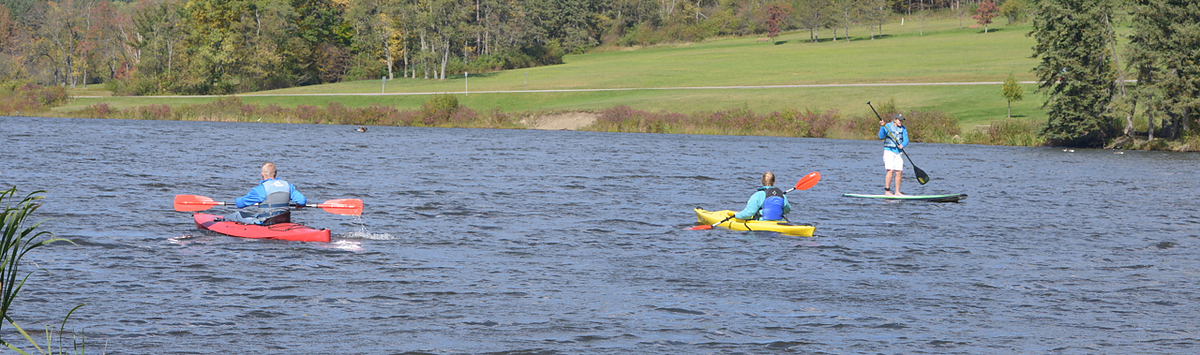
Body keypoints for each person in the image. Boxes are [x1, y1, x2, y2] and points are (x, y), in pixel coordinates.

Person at [224, 162, 307, 225]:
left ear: (262, 174)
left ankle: (220, 221)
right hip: (283, 220)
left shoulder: (260, 189)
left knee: (238, 215)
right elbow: (302, 201)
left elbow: (240, 204)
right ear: (276, 173)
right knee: (256, 214)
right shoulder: (288, 186)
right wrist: (299, 204)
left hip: (267, 222)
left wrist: (236, 200)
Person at [878, 113, 909, 196]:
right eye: (899, 120)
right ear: (895, 120)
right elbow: (881, 136)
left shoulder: (903, 128)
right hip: (889, 151)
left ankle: (897, 192)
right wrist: (882, 127)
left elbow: (906, 140)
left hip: (898, 152)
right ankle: (887, 191)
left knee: (899, 172)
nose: (901, 122)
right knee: (890, 170)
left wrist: (902, 145)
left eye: (902, 120)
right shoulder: (887, 126)